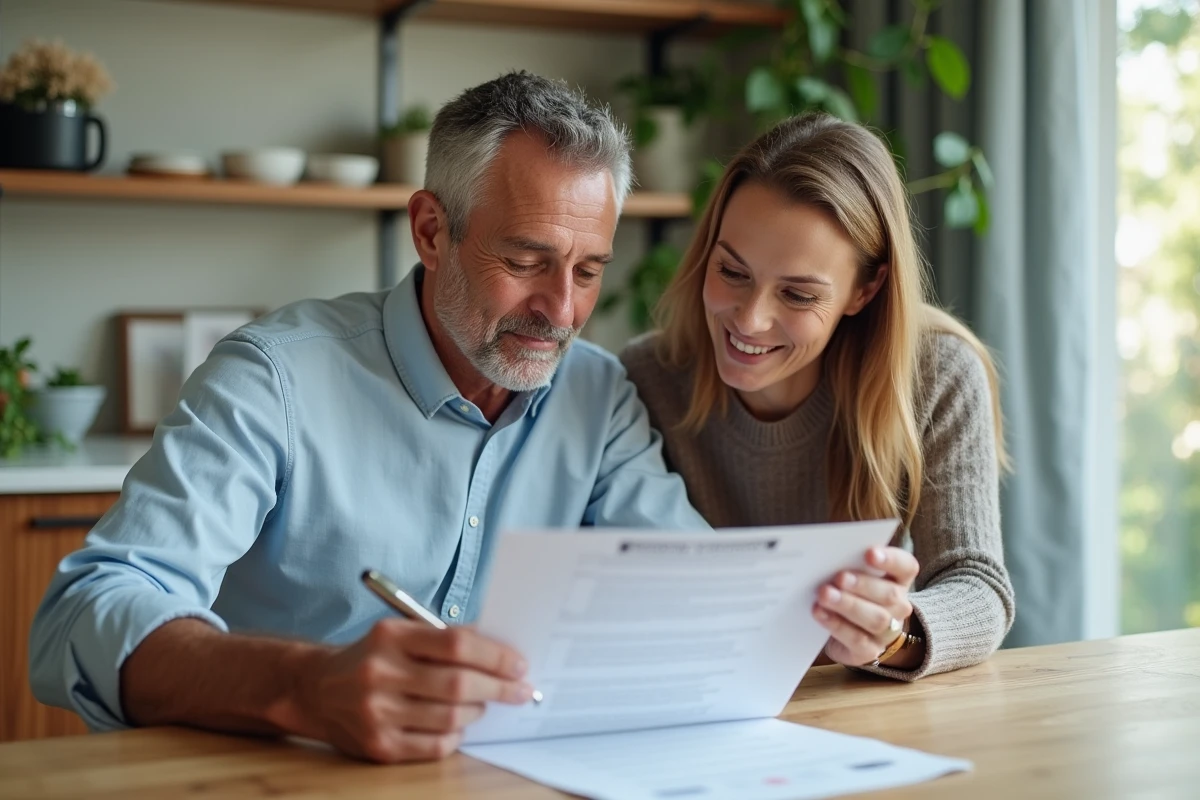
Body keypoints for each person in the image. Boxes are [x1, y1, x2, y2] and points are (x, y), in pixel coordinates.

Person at [30, 71, 707, 763]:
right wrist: (304, 688)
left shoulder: (597, 393)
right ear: (431, 231)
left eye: (588, 271)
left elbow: (698, 594)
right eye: (525, 260)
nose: (561, 310)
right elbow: (81, 617)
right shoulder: (273, 379)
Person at [621, 113, 1015, 680]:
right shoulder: (645, 378)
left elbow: (978, 586)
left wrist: (893, 637)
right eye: (732, 271)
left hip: (857, 700)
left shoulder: (935, 374)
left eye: (798, 295)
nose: (750, 320)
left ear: (866, 289)